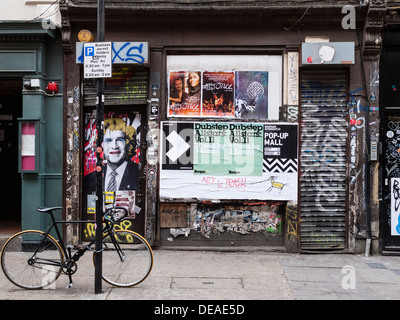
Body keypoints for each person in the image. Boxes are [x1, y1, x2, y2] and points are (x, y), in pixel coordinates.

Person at [84, 117, 139, 192]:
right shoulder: (90, 179)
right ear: (102, 145)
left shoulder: (139, 174)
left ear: (128, 144)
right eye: (108, 140)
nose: (114, 146)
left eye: (120, 140)